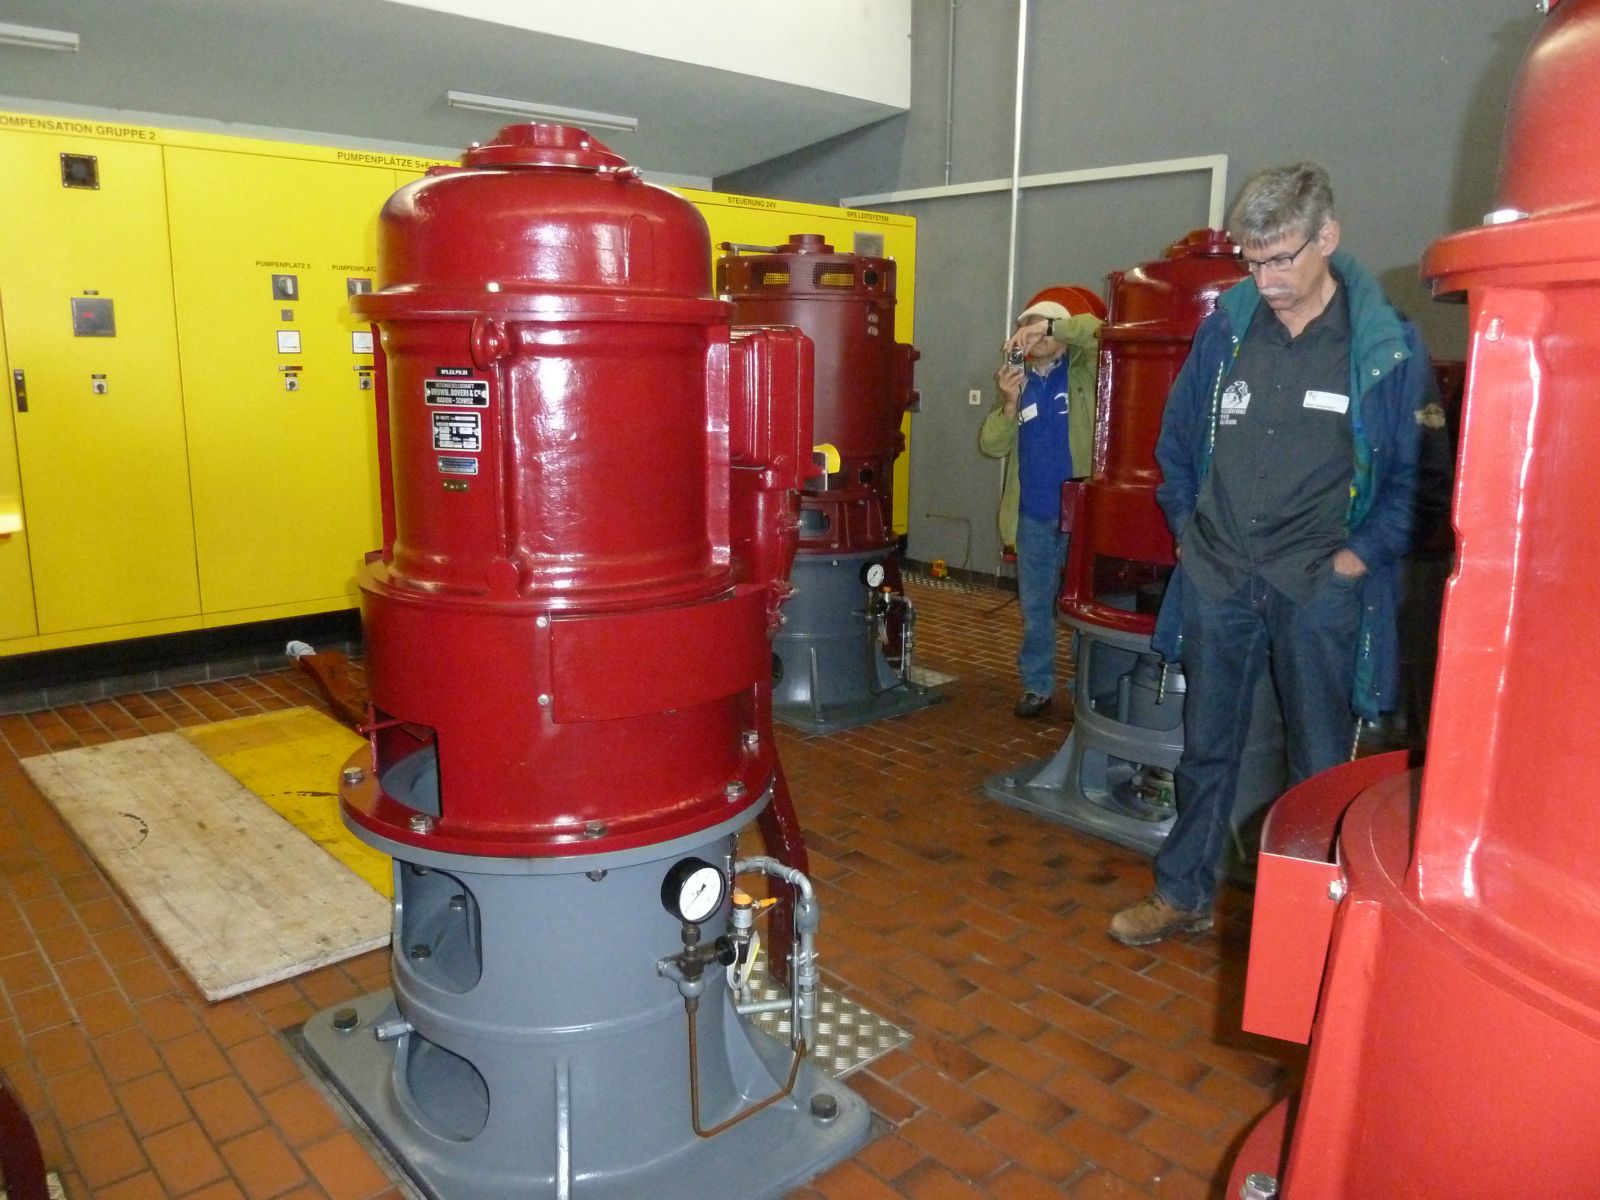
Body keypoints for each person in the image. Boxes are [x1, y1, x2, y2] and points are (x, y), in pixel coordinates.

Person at [1109, 162, 1430, 945]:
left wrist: (1352, 565)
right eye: (1254, 262)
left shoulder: (1384, 347)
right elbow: (1176, 445)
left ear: (1328, 237)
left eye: (1282, 258)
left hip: (1317, 587)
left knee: (1317, 766)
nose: (1268, 280)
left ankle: (1305, 929)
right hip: (1220, 576)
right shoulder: (1227, 331)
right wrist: (1191, 534)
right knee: (1205, 750)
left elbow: (1420, 486)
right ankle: (1182, 895)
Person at [980, 300, 1103, 718]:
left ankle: (1084, 687)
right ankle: (1037, 685)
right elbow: (991, 445)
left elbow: (1097, 332)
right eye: (1026, 329)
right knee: (1035, 608)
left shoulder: (1085, 372)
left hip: (1080, 516)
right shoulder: (1021, 383)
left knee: (1082, 606)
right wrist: (1009, 404)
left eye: (1039, 328)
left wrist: (1051, 327)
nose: (1031, 336)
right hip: (1032, 515)